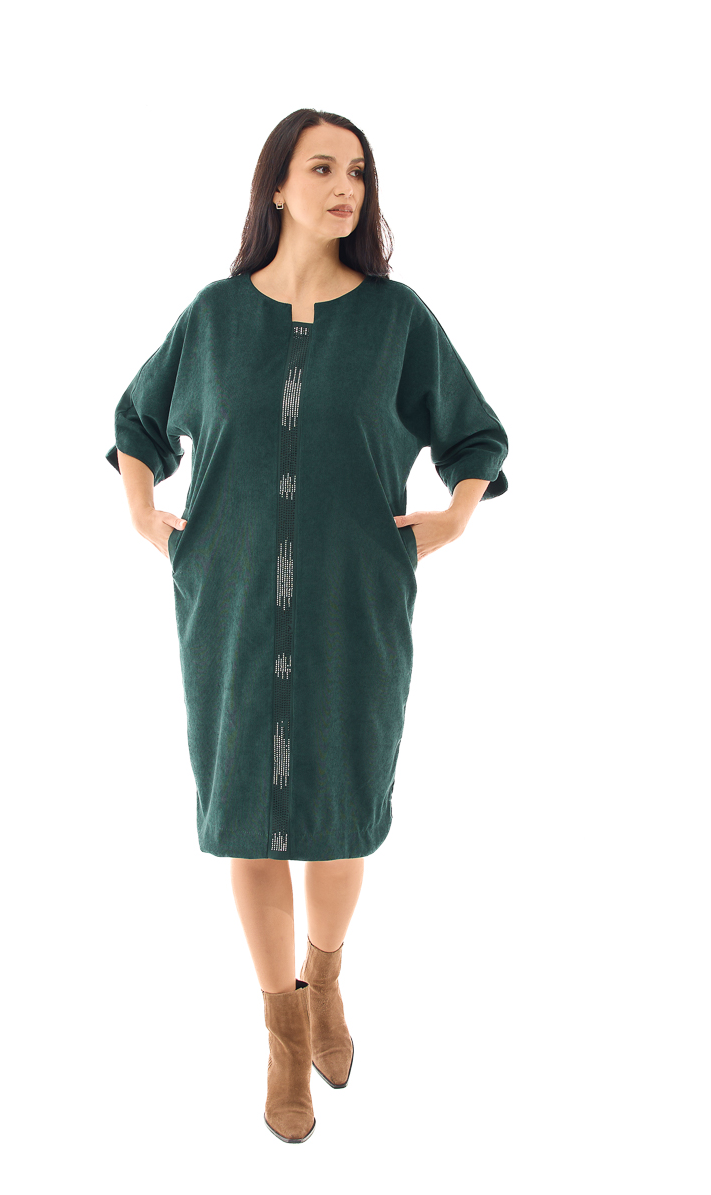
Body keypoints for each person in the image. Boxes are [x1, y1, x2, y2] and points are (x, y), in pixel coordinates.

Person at [107, 108, 509, 1142]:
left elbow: (474, 434)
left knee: (337, 809)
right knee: (247, 813)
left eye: (359, 172)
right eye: (322, 168)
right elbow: (138, 422)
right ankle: (283, 1035)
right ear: (277, 187)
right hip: (229, 599)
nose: (345, 188)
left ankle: (324, 981)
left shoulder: (396, 319)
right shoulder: (213, 316)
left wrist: (454, 517)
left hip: (355, 599)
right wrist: (147, 515)